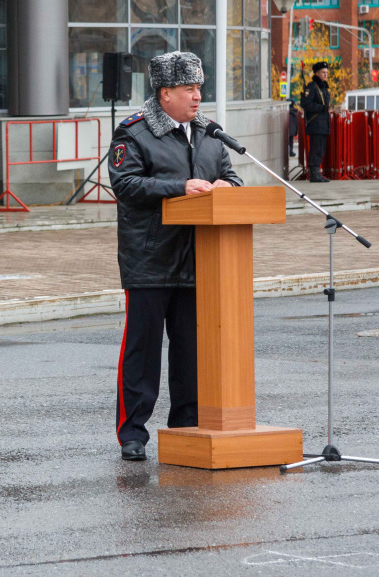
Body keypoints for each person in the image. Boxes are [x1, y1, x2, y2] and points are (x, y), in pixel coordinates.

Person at [107, 51, 243, 462]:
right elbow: (125, 184)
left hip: (199, 260)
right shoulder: (134, 132)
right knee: (142, 352)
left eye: (199, 88)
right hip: (149, 259)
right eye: (189, 90)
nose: (197, 97)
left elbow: (232, 177)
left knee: (191, 351)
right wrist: (179, 186)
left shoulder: (209, 134)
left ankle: (186, 425)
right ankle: (133, 432)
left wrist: (226, 188)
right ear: (165, 94)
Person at [301, 61, 332, 183]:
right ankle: (313, 174)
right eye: (323, 73)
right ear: (317, 73)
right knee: (316, 148)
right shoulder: (312, 87)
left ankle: (317, 173)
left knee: (320, 149)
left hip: (323, 124)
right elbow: (306, 104)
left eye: (326, 73)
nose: (325, 75)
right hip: (315, 124)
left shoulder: (323, 87)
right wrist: (321, 108)